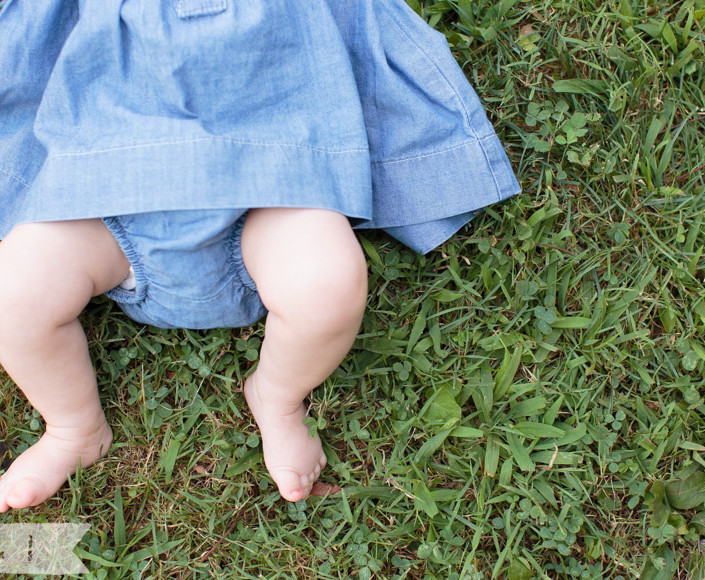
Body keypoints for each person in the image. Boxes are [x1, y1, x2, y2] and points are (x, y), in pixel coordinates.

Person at [0, 0, 520, 510]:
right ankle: (74, 427)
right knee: (14, 293)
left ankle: (277, 397)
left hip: (271, 186)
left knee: (328, 285)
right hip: (98, 190)